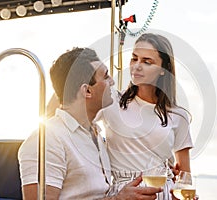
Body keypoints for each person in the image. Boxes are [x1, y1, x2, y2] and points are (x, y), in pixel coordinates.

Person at [18, 47, 162, 200]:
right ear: (87, 91)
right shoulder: (46, 140)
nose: (112, 81)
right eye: (106, 77)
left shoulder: (95, 135)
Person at [99, 33, 194, 199]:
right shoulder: (112, 101)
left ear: (164, 70)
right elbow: (70, 103)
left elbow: (185, 176)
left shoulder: (178, 116)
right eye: (134, 58)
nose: (136, 66)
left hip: (164, 193)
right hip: (125, 193)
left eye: (146, 61)